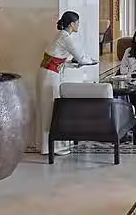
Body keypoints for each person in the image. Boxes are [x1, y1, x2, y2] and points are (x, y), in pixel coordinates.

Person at [34, 10, 95, 154]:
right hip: (50, 76)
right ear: (72, 24)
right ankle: (54, 146)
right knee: (51, 110)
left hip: (48, 73)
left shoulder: (61, 35)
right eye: (78, 22)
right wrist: (90, 62)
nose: (79, 25)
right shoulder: (66, 37)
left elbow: (58, 59)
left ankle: (45, 145)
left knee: (47, 109)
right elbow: (81, 57)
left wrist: (75, 64)